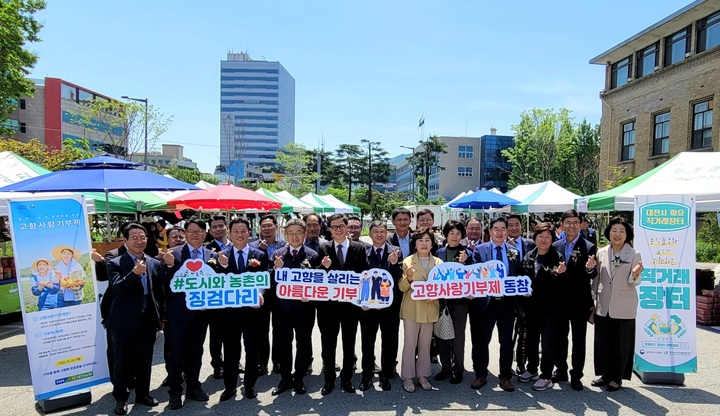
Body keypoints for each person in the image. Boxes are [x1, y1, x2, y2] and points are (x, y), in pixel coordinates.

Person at [160, 217, 227, 410]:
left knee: (196, 351)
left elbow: (219, 282)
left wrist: (223, 266)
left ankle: (193, 386)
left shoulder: (211, 254)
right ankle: (174, 392)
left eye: (199, 231)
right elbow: (163, 283)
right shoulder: (173, 253)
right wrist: (169, 266)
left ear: (205, 234)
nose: (195, 235)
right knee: (176, 353)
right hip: (178, 314)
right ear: (185, 234)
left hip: (202, 314)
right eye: (191, 231)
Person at [106, 223, 164, 415]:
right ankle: (121, 398)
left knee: (144, 359)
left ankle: (143, 394)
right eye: (135, 237)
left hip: (147, 319)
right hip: (122, 321)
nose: (140, 241)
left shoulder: (154, 263)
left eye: (143, 237)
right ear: (125, 241)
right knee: (121, 361)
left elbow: (159, 294)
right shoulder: (115, 262)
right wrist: (134, 274)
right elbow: (117, 288)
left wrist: (160, 319)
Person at [317, 213, 370, 395]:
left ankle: (347, 378)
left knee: (349, 343)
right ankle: (329, 379)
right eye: (334, 227)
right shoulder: (322, 248)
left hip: (351, 306)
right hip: (328, 307)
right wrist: (323, 266)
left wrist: (365, 300)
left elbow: (365, 276)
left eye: (341, 226)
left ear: (348, 227)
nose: (338, 229)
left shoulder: (359, 248)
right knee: (328, 344)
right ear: (329, 230)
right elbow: (315, 277)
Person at [218, 218, 268, 402]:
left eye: (243, 231)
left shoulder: (260, 255)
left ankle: (250, 385)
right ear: (230, 234)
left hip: (252, 311)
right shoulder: (220, 256)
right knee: (231, 349)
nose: (240, 235)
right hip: (229, 312)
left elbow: (265, 279)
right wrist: (221, 266)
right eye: (236, 231)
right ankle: (229, 386)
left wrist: (260, 293)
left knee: (251, 348)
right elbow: (214, 283)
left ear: (249, 232)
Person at [470, 217, 521, 392]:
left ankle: (505, 376)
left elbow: (517, 275)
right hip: (486, 303)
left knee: (506, 341)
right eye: (496, 229)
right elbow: (476, 274)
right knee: (481, 340)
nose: (499, 232)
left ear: (507, 232)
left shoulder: (514, 251)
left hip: (506, 303)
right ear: (490, 231)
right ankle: (481, 374)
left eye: (502, 229)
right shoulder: (480, 250)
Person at [592, 216, 643, 392]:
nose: (617, 234)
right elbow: (596, 278)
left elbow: (635, 281)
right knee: (603, 342)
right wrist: (593, 299)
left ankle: (617, 378)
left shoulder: (634, 254)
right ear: (608, 233)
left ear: (627, 234)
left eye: (622, 231)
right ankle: (605, 375)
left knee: (621, 344)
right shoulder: (601, 252)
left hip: (624, 305)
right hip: (603, 304)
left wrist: (635, 274)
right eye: (614, 230)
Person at [270, 218, 320, 396]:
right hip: (281, 309)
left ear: (305, 234)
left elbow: (318, 283)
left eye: (298, 232)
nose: (294, 236)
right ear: (284, 234)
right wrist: (275, 269)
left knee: (303, 342)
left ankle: (299, 377)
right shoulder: (277, 254)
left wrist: (311, 295)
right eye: (290, 233)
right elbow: (269, 283)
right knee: (283, 343)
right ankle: (285, 377)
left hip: (304, 308)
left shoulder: (312, 255)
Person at [551, 209, 597, 390]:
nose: (572, 226)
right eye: (568, 222)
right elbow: (551, 272)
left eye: (575, 222)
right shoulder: (555, 246)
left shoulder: (589, 246)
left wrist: (589, 269)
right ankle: (560, 369)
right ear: (562, 225)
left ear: (581, 225)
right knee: (560, 338)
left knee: (579, 339)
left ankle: (576, 375)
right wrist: (556, 272)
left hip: (580, 301)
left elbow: (593, 273)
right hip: (560, 301)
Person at [518, 222, 567, 392]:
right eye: (541, 236)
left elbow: (563, 285)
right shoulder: (529, 256)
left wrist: (561, 275)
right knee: (532, 339)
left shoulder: (558, 257)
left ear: (553, 239)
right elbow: (522, 279)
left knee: (548, 342)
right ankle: (532, 369)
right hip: (531, 307)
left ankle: (546, 375)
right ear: (535, 238)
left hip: (551, 309)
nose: (544, 240)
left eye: (548, 237)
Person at [359, 220, 403, 391]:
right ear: (369, 234)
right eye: (375, 231)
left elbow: (399, 277)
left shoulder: (396, 252)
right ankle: (367, 374)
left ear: (386, 233)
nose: (379, 234)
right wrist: (361, 302)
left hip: (389, 305)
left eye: (382, 231)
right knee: (367, 341)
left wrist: (393, 264)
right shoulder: (363, 251)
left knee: (390, 340)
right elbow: (359, 278)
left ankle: (386, 373)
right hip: (368, 306)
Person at [399, 228, 442, 393]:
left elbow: (444, 287)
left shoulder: (438, 263)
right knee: (410, 343)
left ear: (432, 243)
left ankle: (423, 375)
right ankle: (408, 376)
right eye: (420, 240)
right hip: (412, 308)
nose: (424, 244)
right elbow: (402, 287)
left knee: (425, 344)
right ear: (414, 244)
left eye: (427, 240)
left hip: (430, 307)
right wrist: (408, 278)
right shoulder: (408, 261)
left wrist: (436, 295)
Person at [434, 220, 472, 385]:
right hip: (441, 300)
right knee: (442, 334)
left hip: (460, 301)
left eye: (458, 234)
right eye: (451, 233)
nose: (455, 237)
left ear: (462, 235)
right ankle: (445, 367)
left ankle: (458, 369)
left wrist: (464, 264)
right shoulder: (439, 252)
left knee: (458, 336)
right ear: (446, 235)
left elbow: (474, 277)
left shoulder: (468, 253)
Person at [251, 214, 285, 374]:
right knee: (260, 329)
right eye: (263, 226)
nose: (266, 228)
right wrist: (259, 251)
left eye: (269, 225)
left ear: (276, 227)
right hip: (261, 291)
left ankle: (278, 361)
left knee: (279, 328)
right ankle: (261, 362)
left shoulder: (284, 245)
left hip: (279, 292)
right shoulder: (253, 246)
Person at [506, 214, 536, 376]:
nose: (514, 228)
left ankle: (521, 363)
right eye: (510, 225)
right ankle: (507, 364)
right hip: (508, 296)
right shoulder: (501, 245)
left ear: (521, 226)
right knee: (508, 334)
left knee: (524, 333)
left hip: (526, 296)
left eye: (516, 224)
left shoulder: (530, 244)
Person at [205, 215, 231, 380]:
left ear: (226, 227)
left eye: (221, 226)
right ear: (210, 230)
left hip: (235, 297)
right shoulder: (207, 250)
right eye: (214, 227)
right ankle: (218, 364)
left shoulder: (237, 244)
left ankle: (233, 361)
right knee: (216, 334)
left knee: (233, 333)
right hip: (215, 298)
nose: (218, 229)